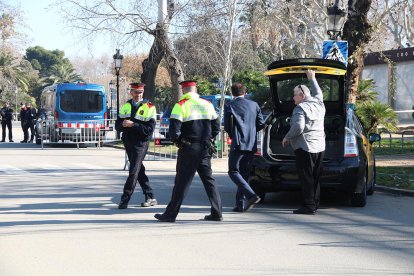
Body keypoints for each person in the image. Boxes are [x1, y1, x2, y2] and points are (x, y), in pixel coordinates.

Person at [154, 80, 222, 222]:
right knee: (209, 180)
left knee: (181, 183)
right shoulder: (208, 104)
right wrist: (209, 139)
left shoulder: (181, 105)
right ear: (195, 89)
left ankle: (170, 215)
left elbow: (174, 132)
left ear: (184, 90)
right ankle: (217, 212)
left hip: (189, 149)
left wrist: (180, 143)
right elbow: (216, 127)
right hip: (205, 148)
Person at [282, 70, 325, 215]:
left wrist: (287, 137)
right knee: (315, 176)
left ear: (302, 95)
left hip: (305, 147)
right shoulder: (319, 103)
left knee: (306, 178)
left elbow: (299, 127)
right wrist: (312, 79)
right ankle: (315, 203)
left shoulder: (300, 108)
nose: (293, 98)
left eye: (294, 95)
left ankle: (308, 206)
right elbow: (318, 92)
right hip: (319, 146)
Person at [224, 83, 266, 212]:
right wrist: (251, 131)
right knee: (244, 173)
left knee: (233, 171)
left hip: (238, 143)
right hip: (251, 143)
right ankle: (240, 204)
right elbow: (261, 123)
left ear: (233, 93)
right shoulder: (254, 105)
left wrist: (233, 134)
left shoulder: (230, 105)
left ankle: (251, 195)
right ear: (245, 92)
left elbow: (227, 126)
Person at [115, 83, 158, 209]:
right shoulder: (126, 106)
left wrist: (133, 125)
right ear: (131, 92)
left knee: (133, 171)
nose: (138, 94)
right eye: (135, 92)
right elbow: (117, 126)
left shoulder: (150, 107)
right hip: (128, 142)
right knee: (139, 170)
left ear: (143, 92)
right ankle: (150, 196)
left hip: (141, 143)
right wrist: (123, 124)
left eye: (140, 92)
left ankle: (125, 199)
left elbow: (149, 130)